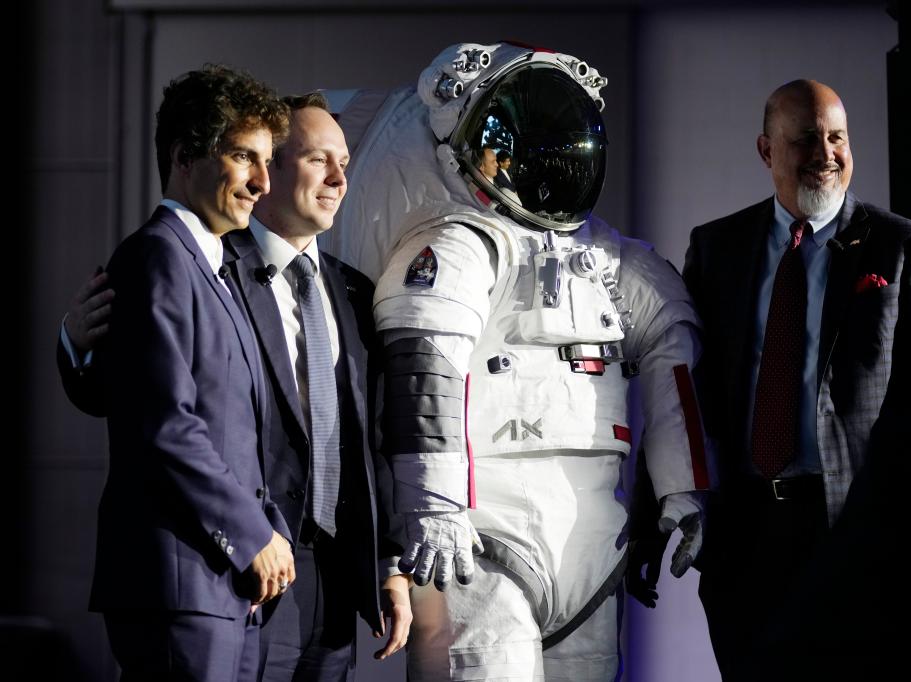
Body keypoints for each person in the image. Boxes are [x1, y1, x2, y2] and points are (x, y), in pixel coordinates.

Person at [332, 42, 709, 680]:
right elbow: (425, 366)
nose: (526, 163)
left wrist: (683, 489)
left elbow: (674, 355)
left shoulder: (611, 260)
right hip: (482, 536)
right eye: (506, 147)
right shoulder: (455, 243)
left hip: (590, 540)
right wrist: (433, 506)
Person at [59, 93, 412, 680]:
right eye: (317, 158)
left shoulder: (353, 292)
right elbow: (142, 403)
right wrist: (78, 343)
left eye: (345, 162)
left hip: (330, 581)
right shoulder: (209, 262)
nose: (338, 178)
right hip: (239, 563)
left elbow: (367, 440)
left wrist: (387, 560)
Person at [643, 79, 911, 680]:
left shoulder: (904, 248)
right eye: (806, 140)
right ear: (767, 151)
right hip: (746, 538)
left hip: (855, 536)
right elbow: (686, 391)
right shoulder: (717, 248)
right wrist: (652, 518)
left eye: (837, 137)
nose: (826, 153)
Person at [80, 64, 295, 681]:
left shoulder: (216, 269)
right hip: (180, 584)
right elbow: (164, 424)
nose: (261, 181)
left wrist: (267, 534)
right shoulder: (158, 257)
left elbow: (235, 425)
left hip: (220, 585)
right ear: (183, 156)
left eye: (267, 160)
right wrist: (251, 533)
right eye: (241, 157)